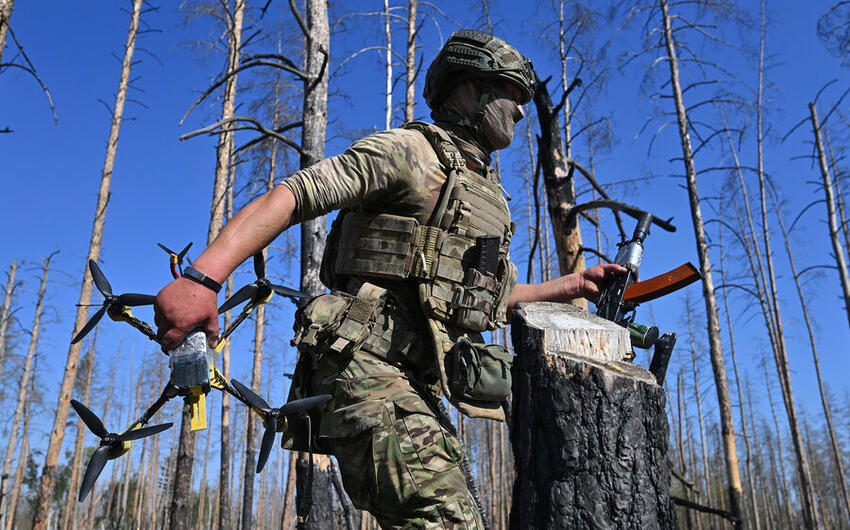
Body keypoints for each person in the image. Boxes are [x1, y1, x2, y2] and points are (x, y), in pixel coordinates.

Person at [155, 29, 625, 529]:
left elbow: (490, 297)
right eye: (512, 91)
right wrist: (204, 278)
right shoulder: (409, 151)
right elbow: (296, 193)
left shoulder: (482, 192)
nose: (522, 111)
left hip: (413, 384)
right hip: (366, 368)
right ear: (468, 87)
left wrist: (572, 287)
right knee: (447, 519)